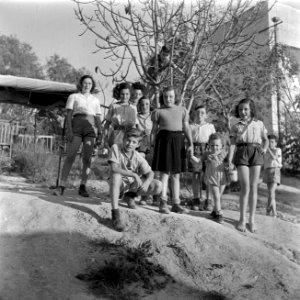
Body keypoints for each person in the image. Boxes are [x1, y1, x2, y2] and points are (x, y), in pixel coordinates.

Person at [108, 128, 162, 231]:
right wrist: (134, 175)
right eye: (128, 140)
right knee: (116, 175)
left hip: (131, 184)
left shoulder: (137, 156)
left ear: (138, 145)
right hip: (117, 183)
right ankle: (115, 213)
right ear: (123, 139)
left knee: (158, 185)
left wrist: (146, 182)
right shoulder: (116, 148)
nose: (130, 144)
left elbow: (151, 173)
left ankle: (130, 195)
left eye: (134, 142)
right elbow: (114, 168)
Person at [58, 75, 103, 197]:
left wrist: (101, 132)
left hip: (91, 128)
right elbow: (69, 115)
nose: (87, 85)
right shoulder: (73, 96)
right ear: (81, 84)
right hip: (77, 126)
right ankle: (61, 185)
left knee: (87, 159)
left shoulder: (95, 100)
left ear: (92, 85)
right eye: (85, 83)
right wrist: (69, 130)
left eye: (89, 83)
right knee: (70, 156)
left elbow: (98, 118)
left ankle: (82, 186)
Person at [228, 98, 268, 233]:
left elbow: (266, 139)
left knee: (254, 186)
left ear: (251, 109)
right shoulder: (236, 125)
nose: (243, 112)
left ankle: (252, 220)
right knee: (245, 186)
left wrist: (265, 149)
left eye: (245, 109)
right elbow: (233, 144)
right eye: (240, 109)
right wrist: (229, 160)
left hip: (256, 152)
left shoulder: (259, 123)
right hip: (242, 152)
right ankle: (242, 219)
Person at [151, 86, 193, 214]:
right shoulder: (158, 111)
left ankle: (176, 203)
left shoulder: (183, 110)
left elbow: (186, 128)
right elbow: (154, 130)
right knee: (164, 173)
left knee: (176, 174)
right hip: (163, 141)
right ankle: (162, 202)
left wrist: (190, 143)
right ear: (162, 97)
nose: (168, 99)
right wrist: (152, 145)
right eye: (165, 96)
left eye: (171, 96)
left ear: (175, 97)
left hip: (178, 142)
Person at [191, 133, 229, 223]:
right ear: (209, 145)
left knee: (218, 196)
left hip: (223, 178)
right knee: (216, 196)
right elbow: (198, 161)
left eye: (217, 145)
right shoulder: (206, 154)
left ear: (221, 146)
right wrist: (191, 156)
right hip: (212, 178)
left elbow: (229, 165)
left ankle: (214, 212)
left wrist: (229, 166)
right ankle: (219, 214)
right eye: (212, 145)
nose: (214, 147)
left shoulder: (224, 154)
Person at [189, 105, 216, 211]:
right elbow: (188, 140)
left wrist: (213, 152)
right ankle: (196, 199)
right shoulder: (191, 126)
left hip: (207, 149)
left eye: (202, 113)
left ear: (206, 115)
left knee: (208, 175)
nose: (200, 115)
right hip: (195, 150)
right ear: (194, 114)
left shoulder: (210, 126)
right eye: (198, 112)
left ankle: (208, 200)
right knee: (196, 175)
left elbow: (214, 140)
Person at [104, 82, 137, 148]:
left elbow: (134, 125)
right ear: (119, 94)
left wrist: (135, 138)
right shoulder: (114, 106)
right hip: (116, 135)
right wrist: (105, 139)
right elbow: (107, 124)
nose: (125, 96)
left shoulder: (133, 108)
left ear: (130, 94)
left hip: (129, 136)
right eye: (122, 94)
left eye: (127, 94)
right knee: (115, 153)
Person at [263, 134, 282, 217]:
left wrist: (267, 149)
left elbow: (275, 158)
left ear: (275, 143)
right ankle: (273, 213)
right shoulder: (265, 150)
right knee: (270, 193)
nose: (270, 144)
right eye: (269, 142)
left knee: (271, 191)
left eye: (272, 142)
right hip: (267, 171)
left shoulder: (278, 150)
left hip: (275, 170)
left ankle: (269, 209)